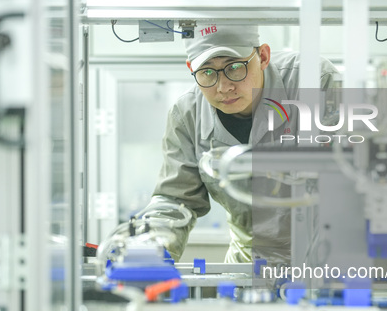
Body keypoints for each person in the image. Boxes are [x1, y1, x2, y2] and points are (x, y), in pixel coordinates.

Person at [143, 23, 338, 264]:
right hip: (249, 264)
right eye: (207, 72)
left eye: (235, 68)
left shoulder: (314, 81)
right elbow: (174, 201)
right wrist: (152, 250)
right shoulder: (187, 115)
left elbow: (352, 178)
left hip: (326, 260)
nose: (224, 87)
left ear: (263, 56)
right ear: (191, 69)